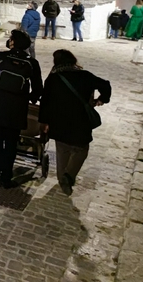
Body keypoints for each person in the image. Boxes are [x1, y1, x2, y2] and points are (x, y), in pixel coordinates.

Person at [38, 50, 111, 196]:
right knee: (81, 150)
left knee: (62, 150)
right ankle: (68, 176)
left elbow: (45, 101)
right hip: (80, 120)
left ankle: (62, 179)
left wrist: (44, 122)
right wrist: (102, 99)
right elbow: (105, 85)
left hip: (59, 121)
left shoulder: (53, 78)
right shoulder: (85, 76)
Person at [0, 29, 43, 188]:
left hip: (0, 102)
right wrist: (28, 97)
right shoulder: (32, 63)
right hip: (18, 105)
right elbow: (38, 88)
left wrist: (2, 88)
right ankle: (6, 174)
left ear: (14, 42)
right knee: (12, 139)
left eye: (11, 38)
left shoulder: (1, 57)